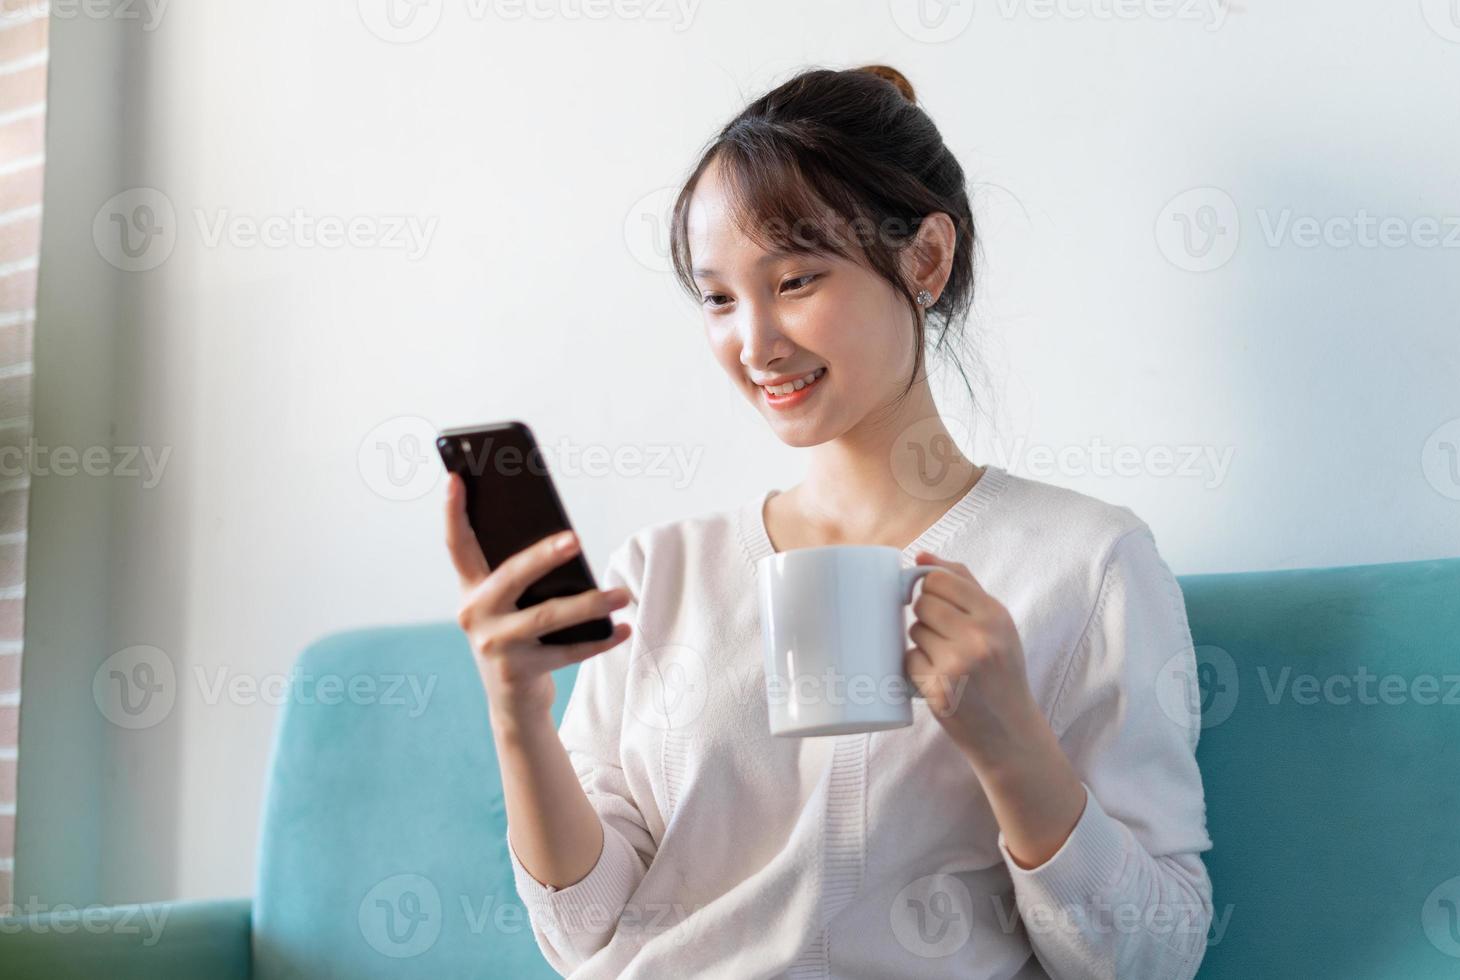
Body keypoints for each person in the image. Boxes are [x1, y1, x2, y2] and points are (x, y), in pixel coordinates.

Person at [444, 63, 1213, 979]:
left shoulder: (1083, 563)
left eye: (796, 280)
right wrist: (518, 713)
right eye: (719, 298)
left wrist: (1011, 746)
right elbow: (584, 935)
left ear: (925, 259)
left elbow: (1153, 956)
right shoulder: (658, 572)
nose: (755, 343)